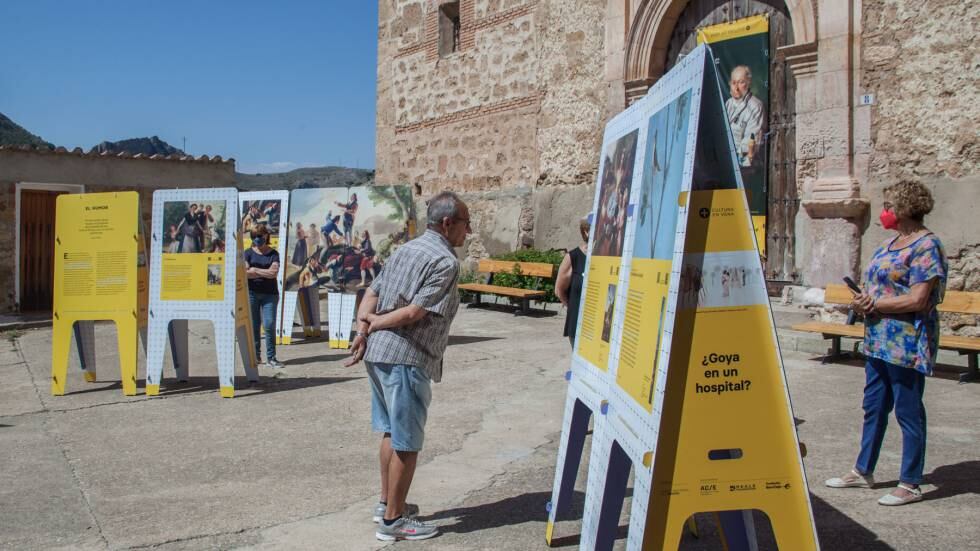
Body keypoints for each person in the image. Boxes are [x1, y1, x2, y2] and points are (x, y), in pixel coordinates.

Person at [345, 191, 470, 542]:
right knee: (407, 442)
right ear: (447, 223)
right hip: (406, 357)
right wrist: (373, 323)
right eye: (465, 223)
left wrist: (363, 327)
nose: (468, 231)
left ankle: (387, 503)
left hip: (380, 356)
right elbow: (414, 313)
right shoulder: (445, 261)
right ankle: (393, 521)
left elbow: (373, 290)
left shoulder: (406, 249)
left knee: (390, 432)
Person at [825, 180, 947, 506]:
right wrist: (861, 302)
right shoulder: (890, 243)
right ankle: (863, 470)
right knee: (874, 406)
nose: (884, 213)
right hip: (878, 338)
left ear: (904, 208)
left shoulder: (926, 246)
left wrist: (875, 305)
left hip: (906, 340)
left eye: (889, 206)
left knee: (908, 410)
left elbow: (918, 299)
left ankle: (910, 482)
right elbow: (874, 289)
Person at [244, 224, 284, 369]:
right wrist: (263, 271)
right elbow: (245, 272)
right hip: (252, 293)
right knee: (254, 326)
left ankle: (271, 358)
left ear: (266, 235)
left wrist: (254, 270)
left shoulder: (274, 253)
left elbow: (273, 273)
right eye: (254, 237)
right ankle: (256, 356)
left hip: (270, 295)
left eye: (259, 236)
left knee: (269, 324)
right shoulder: (247, 253)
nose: (257, 239)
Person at [555, 216, 590, 348]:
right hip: (578, 324)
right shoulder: (573, 257)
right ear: (586, 232)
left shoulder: (608, 256)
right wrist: (573, 307)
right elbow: (559, 290)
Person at [725, 65, 765, 168]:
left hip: (743, 166)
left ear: (748, 83)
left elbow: (751, 142)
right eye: (734, 83)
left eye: (741, 82)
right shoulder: (728, 104)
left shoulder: (755, 106)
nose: (736, 88)